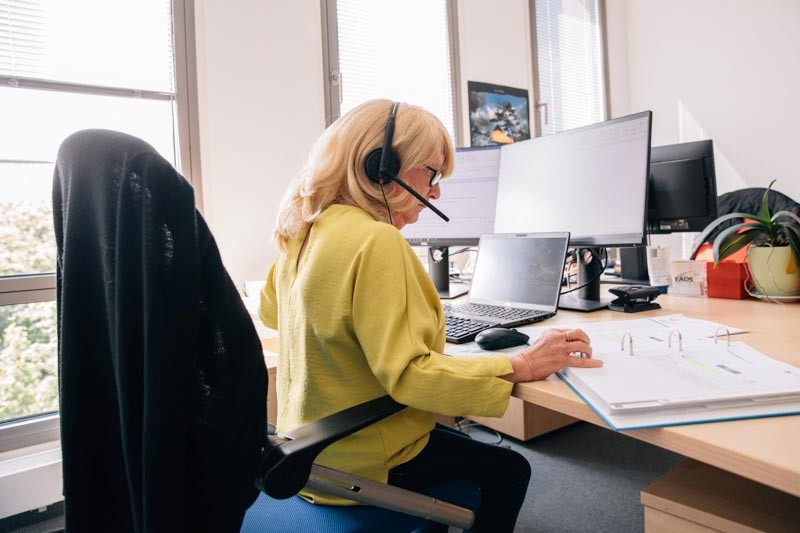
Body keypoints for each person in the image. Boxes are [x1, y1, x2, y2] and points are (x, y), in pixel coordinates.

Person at [259, 99, 602, 531]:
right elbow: (411, 377)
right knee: (512, 470)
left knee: (458, 441)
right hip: (363, 460)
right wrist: (522, 363)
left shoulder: (304, 231)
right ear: (381, 167)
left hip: (304, 454)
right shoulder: (375, 241)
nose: (436, 192)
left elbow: (274, 312)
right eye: (432, 173)